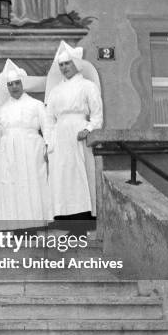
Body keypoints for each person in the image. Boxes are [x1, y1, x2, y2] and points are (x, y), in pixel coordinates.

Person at [0, 59, 52, 226]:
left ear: (22, 84)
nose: (14, 87)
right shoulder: (2, 110)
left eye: (17, 83)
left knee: (31, 186)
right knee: (10, 187)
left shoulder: (36, 105)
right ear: (7, 87)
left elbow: (48, 128)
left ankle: (33, 225)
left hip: (31, 151)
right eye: (10, 84)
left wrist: (48, 148)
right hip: (7, 154)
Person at [45, 40, 103, 221]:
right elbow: (48, 119)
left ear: (76, 64)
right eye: (61, 65)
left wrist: (88, 129)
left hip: (79, 134)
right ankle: (62, 214)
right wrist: (49, 141)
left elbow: (97, 115)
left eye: (67, 63)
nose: (64, 67)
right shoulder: (55, 91)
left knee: (79, 173)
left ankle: (84, 214)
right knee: (61, 174)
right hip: (59, 135)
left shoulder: (88, 86)